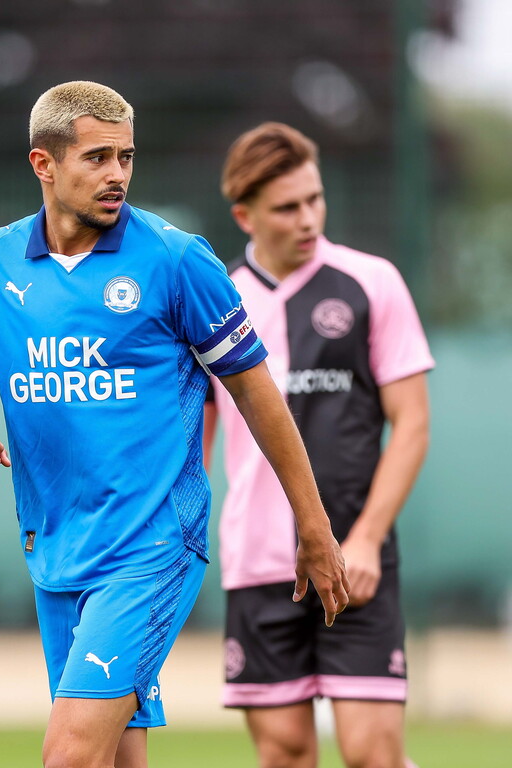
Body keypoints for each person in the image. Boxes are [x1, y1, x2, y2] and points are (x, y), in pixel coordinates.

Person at [0, 81, 349, 768]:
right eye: (98, 157)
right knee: (118, 758)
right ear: (43, 165)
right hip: (54, 546)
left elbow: (259, 397)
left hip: (152, 546)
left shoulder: (176, 259)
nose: (117, 174)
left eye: (127, 156)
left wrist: (314, 526)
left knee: (70, 756)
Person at [204, 122, 433, 768]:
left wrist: (363, 538)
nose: (308, 218)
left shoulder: (372, 283)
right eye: (287, 207)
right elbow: (194, 446)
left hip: (358, 564)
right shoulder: (216, 301)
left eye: (315, 199)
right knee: (284, 756)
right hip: (258, 567)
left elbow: (412, 424)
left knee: (372, 756)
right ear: (245, 215)